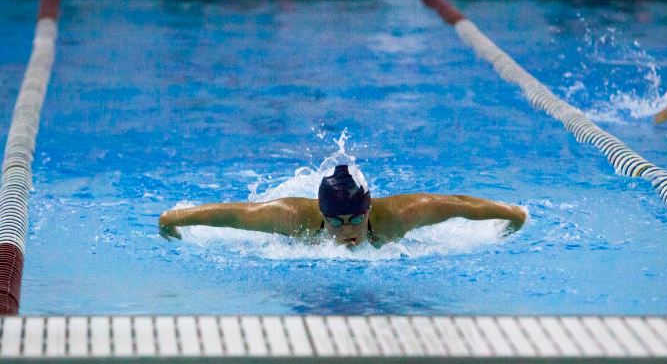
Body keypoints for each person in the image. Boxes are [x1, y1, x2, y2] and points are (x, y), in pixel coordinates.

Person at [158, 165, 527, 247]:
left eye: (355, 218)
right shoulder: (293, 218)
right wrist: (174, 219)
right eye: (336, 220)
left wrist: (512, 214)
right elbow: (236, 215)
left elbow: (457, 205)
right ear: (322, 214)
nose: (347, 228)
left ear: (368, 210)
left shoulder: (397, 216)